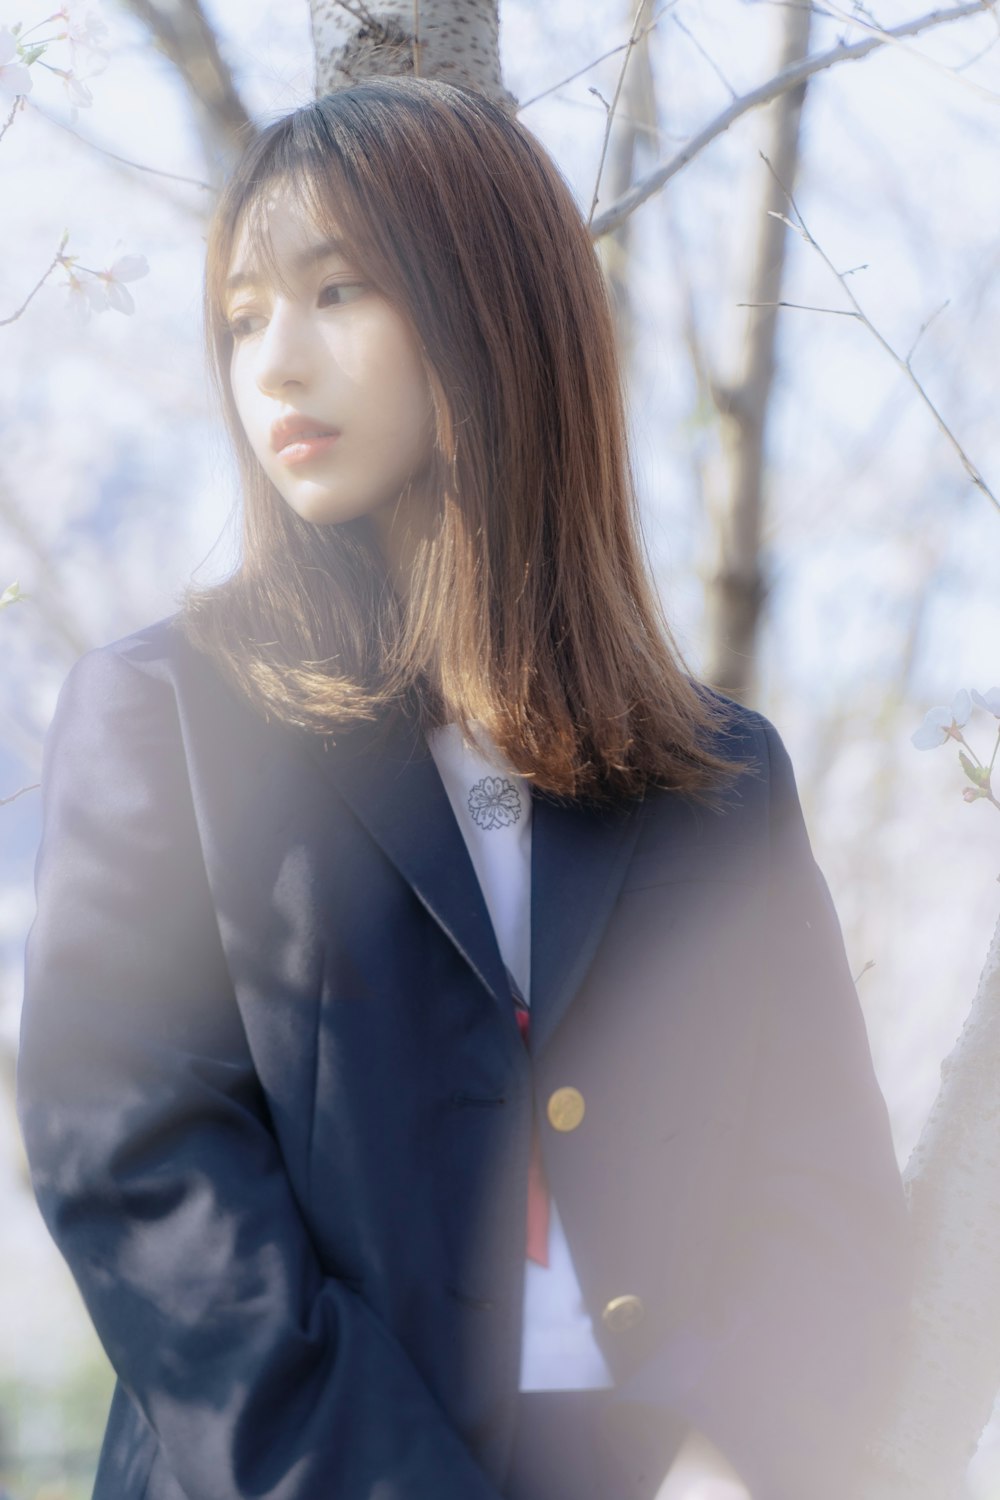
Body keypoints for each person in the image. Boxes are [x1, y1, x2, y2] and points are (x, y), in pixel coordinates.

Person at [16, 77, 913, 1500]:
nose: (274, 363)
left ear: (493, 308)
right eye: (242, 317)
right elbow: (135, 1165)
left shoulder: (715, 777)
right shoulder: (168, 718)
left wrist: (712, 1454)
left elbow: (827, 1203)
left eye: (336, 290)